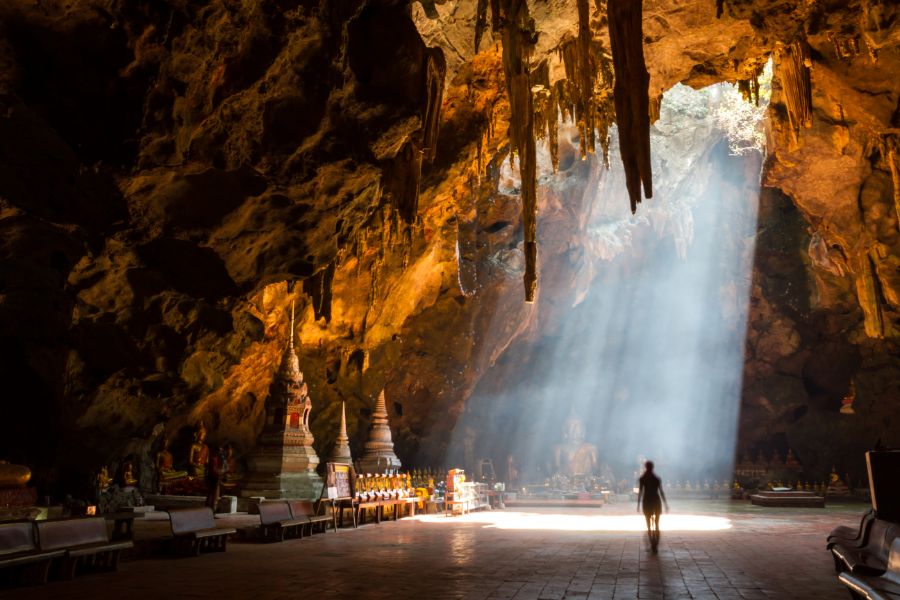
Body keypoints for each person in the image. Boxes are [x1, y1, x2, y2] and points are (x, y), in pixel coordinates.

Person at [637, 460, 668, 553]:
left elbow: (640, 492)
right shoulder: (657, 478)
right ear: (653, 467)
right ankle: (656, 545)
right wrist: (665, 504)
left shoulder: (642, 478)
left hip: (647, 501)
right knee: (657, 524)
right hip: (656, 501)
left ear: (646, 467)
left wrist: (638, 504)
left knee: (649, 525)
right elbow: (661, 492)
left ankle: (652, 543)